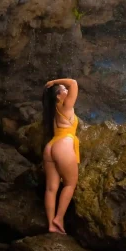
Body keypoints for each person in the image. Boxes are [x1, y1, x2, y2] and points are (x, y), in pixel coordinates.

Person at [41, 78, 80, 234]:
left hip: (50, 146)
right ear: (58, 96)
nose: (67, 91)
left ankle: (51, 224)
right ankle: (59, 218)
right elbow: (74, 83)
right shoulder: (66, 106)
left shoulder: (53, 109)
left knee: (51, 188)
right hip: (63, 146)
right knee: (70, 184)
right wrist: (53, 82)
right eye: (64, 89)